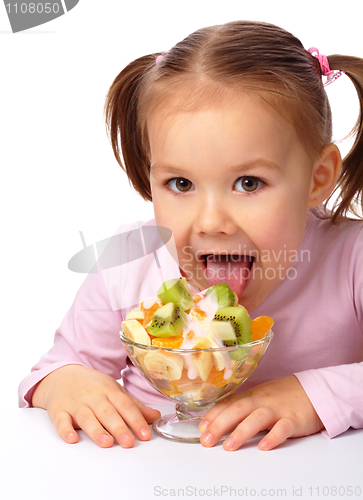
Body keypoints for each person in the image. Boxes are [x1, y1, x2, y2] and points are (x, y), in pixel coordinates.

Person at [19, 20, 363, 451]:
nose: (210, 222)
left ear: (318, 177)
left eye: (249, 183)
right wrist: (64, 383)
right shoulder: (128, 261)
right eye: (181, 184)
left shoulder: (351, 258)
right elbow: (56, 368)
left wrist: (315, 394)